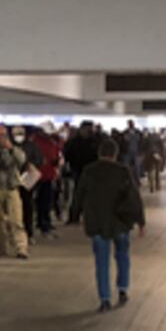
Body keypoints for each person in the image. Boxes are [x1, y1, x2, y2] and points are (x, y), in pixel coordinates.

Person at [70, 138, 147, 313]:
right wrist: (140, 221)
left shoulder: (89, 171)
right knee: (122, 256)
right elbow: (134, 197)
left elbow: (78, 195)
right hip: (120, 223)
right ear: (115, 154)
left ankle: (104, 299)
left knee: (101, 262)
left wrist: (75, 216)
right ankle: (122, 289)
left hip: (97, 223)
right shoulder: (123, 171)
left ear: (99, 153)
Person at [0, 126, 31, 259]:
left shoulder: (15, 150)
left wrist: (10, 148)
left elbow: (22, 160)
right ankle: (2, 247)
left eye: (3, 135)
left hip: (12, 188)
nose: (0, 138)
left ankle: (21, 248)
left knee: (16, 220)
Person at [62, 121, 99, 222]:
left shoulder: (95, 141)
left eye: (91, 129)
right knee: (77, 195)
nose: (89, 131)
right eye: (87, 129)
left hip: (92, 171)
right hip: (78, 170)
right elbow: (66, 155)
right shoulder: (73, 142)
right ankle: (74, 216)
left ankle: (91, 217)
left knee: (92, 196)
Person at [32, 122, 64, 237]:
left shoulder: (52, 142)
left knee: (47, 200)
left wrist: (57, 162)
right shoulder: (35, 142)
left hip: (49, 175)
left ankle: (45, 221)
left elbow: (57, 155)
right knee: (40, 201)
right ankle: (41, 222)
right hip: (37, 175)